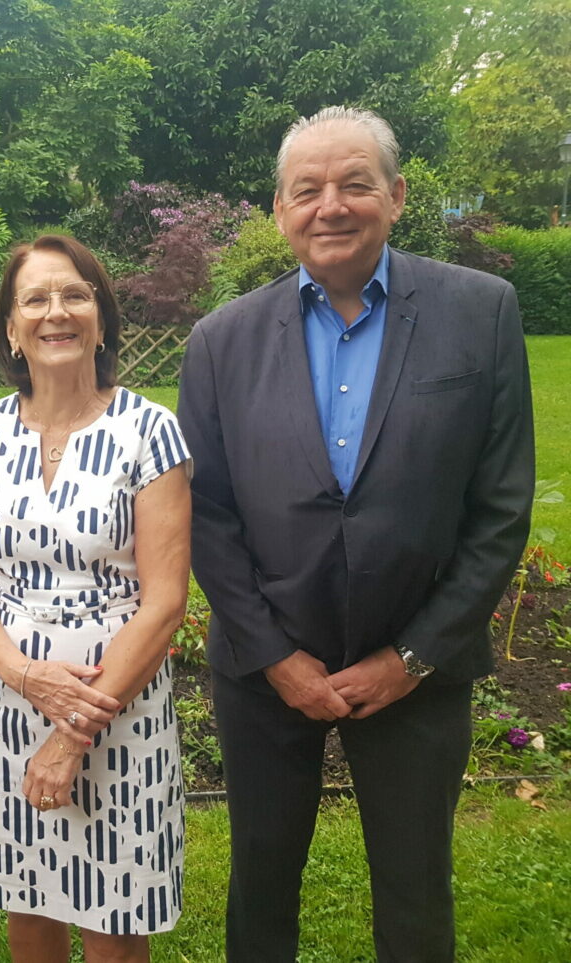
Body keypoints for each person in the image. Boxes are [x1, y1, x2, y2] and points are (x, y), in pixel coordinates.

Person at [177, 106, 534, 962]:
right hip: (266, 674)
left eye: (355, 184)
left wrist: (412, 657)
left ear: (397, 195)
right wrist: (275, 656)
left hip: (418, 670)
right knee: (261, 883)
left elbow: (499, 508)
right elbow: (205, 512)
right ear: (280, 211)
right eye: (307, 189)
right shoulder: (220, 341)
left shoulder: (481, 312)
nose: (330, 205)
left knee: (416, 888)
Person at [0, 235, 191, 963]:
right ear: (12, 330)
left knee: (115, 912)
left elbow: (164, 602)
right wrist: (24, 675)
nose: (57, 312)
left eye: (76, 294)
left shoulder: (150, 431)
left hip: (116, 706)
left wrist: (72, 733)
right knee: (27, 900)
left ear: (101, 320)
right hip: (9, 701)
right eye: (36, 299)